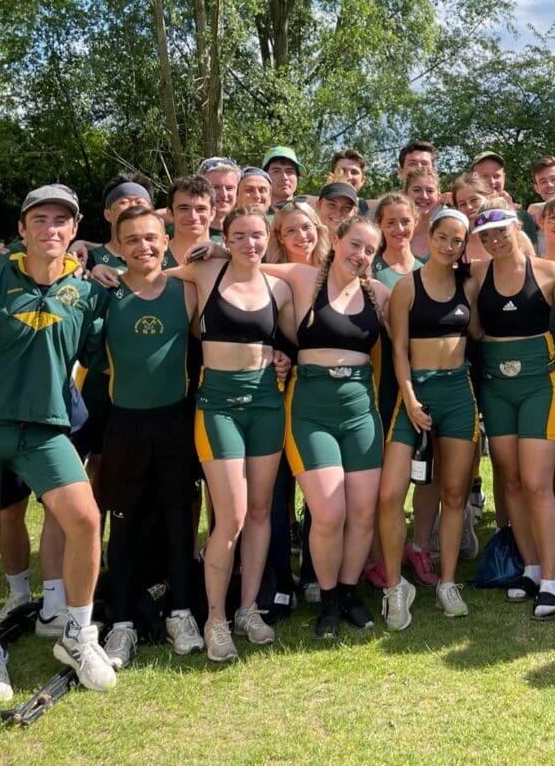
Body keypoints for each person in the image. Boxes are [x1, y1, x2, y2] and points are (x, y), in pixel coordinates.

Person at [0, 184, 116, 699]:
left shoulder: (86, 293)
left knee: (85, 520)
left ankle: (77, 634)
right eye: (39, 219)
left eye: (61, 220)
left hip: (44, 431)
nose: (50, 228)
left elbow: (102, 352)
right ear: (22, 229)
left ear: (75, 231)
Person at [262, 216, 394, 638]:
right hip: (309, 408)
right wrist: (209, 251)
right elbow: (243, 266)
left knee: (360, 511)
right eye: (354, 244)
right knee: (329, 511)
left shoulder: (380, 295)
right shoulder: (304, 279)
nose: (360, 255)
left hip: (360, 410)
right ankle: (328, 593)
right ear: (336, 241)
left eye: (370, 250)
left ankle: (349, 594)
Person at [175, 207, 296, 659]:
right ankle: (216, 618)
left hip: (266, 403)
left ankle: (248, 609)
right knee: (232, 516)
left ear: (268, 238)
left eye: (257, 235)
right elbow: (152, 273)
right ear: (226, 237)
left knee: (262, 510)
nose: (250, 243)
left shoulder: (278, 287)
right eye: (239, 236)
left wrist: (283, 358)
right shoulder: (206, 270)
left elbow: (293, 337)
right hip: (218, 406)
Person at [96, 207, 204, 667]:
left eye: (152, 238)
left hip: (176, 420)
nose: (143, 246)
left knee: (180, 516)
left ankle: (181, 612)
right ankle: (121, 622)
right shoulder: (104, 292)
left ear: (166, 240)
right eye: (132, 239)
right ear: (117, 246)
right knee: (123, 521)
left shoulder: (188, 291)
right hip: (124, 423)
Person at [470, 207, 555, 619]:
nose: (494, 240)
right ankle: (530, 567)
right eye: (486, 236)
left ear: (517, 227)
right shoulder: (478, 275)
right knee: (512, 482)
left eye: (501, 231)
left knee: (537, 483)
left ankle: (551, 580)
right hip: (497, 384)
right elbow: (476, 329)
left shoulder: (550, 272)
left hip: (540, 383)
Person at [379, 207, 482, 627]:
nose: (448, 245)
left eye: (457, 240)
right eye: (442, 237)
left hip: (458, 393)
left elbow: (476, 334)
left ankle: (447, 581)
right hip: (414, 396)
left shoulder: (468, 286)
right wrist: (409, 396)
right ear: (430, 236)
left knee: (454, 493)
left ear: (463, 246)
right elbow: (399, 349)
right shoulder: (407, 286)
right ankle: (393, 587)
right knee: (389, 494)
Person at [166, 175, 217, 266]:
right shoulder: (154, 258)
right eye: (183, 208)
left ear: (212, 213)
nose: (193, 217)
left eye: (201, 209)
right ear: (170, 213)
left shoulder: (229, 260)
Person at [267, 197, 331, 267]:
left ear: (317, 228)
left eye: (306, 227)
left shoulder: (335, 270)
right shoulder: (269, 276)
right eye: (291, 230)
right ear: (280, 237)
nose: (302, 236)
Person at [403, 165, 442, 260]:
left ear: (439, 197)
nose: (424, 196)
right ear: (405, 194)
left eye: (430, 191)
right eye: (417, 190)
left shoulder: (445, 234)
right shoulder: (394, 234)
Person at [200, 157, 240, 236]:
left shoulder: (248, 231)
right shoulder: (184, 232)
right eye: (215, 187)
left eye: (229, 188)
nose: (224, 194)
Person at [329, 148, 370, 213]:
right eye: (342, 171)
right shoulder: (312, 207)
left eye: (354, 172)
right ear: (332, 176)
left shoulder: (372, 211)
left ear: (362, 180)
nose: (348, 177)